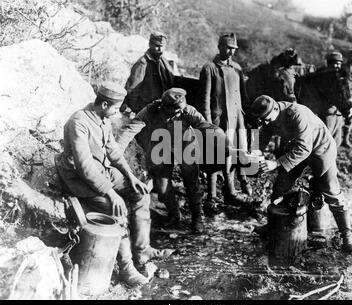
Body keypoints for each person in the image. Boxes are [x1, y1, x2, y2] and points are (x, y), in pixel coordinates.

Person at [55, 82, 173, 287]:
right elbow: (84, 167)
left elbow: (113, 150)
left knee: (141, 194)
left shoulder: (103, 119)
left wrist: (130, 176)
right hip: (79, 179)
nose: (117, 113)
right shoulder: (78, 123)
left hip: (103, 172)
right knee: (115, 209)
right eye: (115, 109)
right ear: (103, 105)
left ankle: (141, 250)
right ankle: (127, 267)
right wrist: (111, 193)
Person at [246, 95, 352, 252]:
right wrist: (255, 150)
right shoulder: (269, 116)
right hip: (297, 148)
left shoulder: (296, 113)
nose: (265, 123)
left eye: (266, 119)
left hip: (320, 149)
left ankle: (347, 236)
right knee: (281, 184)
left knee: (331, 191)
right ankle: (273, 225)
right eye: (262, 120)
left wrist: (276, 163)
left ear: (276, 108)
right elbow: (263, 134)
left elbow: (304, 149)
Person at [117, 88, 230, 233]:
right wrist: (116, 149)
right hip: (161, 146)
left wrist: (224, 143)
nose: (179, 113)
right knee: (163, 187)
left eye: (181, 110)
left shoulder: (188, 111)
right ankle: (174, 214)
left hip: (185, 146)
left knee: (192, 183)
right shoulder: (151, 110)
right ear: (165, 106)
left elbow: (207, 127)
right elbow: (131, 128)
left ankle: (197, 218)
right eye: (176, 110)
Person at [197, 33, 252, 209]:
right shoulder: (210, 68)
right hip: (219, 120)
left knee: (236, 152)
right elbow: (204, 99)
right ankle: (212, 196)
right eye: (228, 48)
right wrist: (207, 124)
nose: (230, 52)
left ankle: (231, 191)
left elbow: (243, 96)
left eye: (233, 49)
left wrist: (248, 116)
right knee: (214, 155)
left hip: (237, 118)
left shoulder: (237, 68)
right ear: (220, 47)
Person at [121, 32, 175, 114]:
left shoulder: (164, 62)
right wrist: (136, 110)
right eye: (157, 46)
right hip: (147, 109)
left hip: (162, 106)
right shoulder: (142, 64)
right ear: (150, 44)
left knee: (177, 123)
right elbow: (133, 89)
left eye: (162, 46)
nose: (160, 49)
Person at [316, 51, 346, 148]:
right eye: (335, 63)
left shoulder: (338, 76)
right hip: (327, 113)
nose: (338, 66)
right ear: (329, 63)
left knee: (337, 141)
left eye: (339, 64)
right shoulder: (322, 76)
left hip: (338, 114)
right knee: (324, 141)